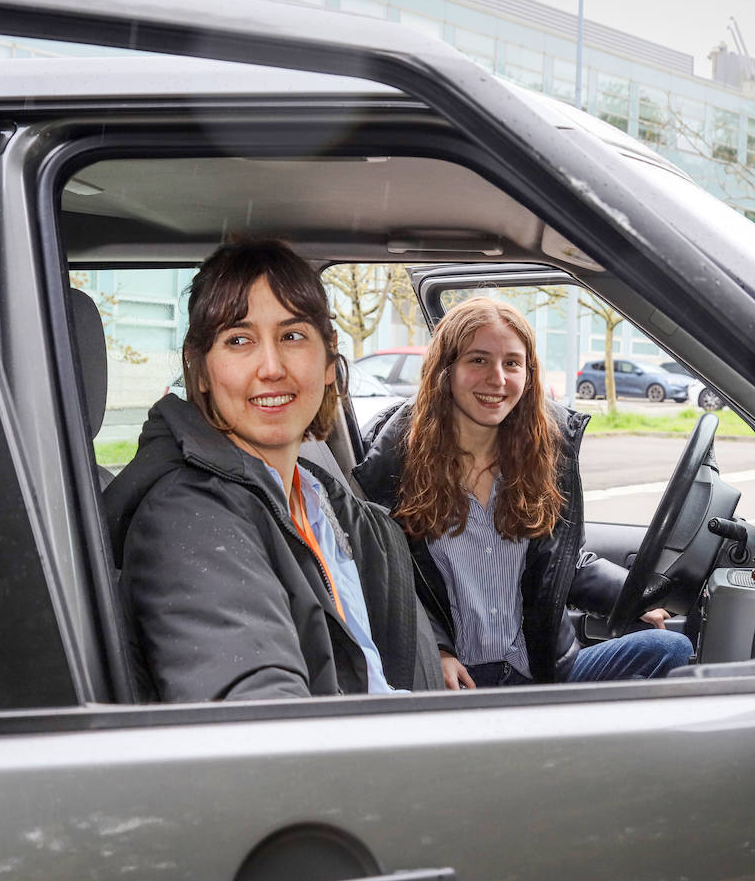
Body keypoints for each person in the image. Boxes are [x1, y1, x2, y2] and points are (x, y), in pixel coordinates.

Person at [104, 238, 442, 701]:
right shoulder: (189, 521)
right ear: (200, 369)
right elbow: (262, 729)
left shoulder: (319, 498)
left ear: (328, 357)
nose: (271, 366)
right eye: (239, 340)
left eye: (292, 336)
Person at [355, 297, 694, 689]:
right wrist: (436, 652)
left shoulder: (544, 459)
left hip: (541, 672)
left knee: (672, 649)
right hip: (460, 681)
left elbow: (565, 564)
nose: (497, 378)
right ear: (445, 371)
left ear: (528, 374)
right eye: (478, 360)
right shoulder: (398, 466)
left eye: (512, 363)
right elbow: (387, 581)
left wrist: (635, 596)